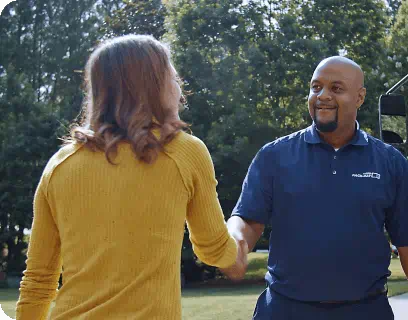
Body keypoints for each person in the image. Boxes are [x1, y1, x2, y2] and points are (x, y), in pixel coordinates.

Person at [16, 35, 248, 320]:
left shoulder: (59, 165)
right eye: (173, 78)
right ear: (154, 87)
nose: (179, 88)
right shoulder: (184, 151)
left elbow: (37, 283)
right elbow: (212, 249)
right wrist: (238, 243)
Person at [227, 56, 408, 320]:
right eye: (316, 87)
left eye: (336, 88)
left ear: (360, 97)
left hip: (365, 310)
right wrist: (235, 240)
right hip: (285, 310)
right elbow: (248, 220)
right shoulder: (274, 156)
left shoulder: (390, 163)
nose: (323, 96)